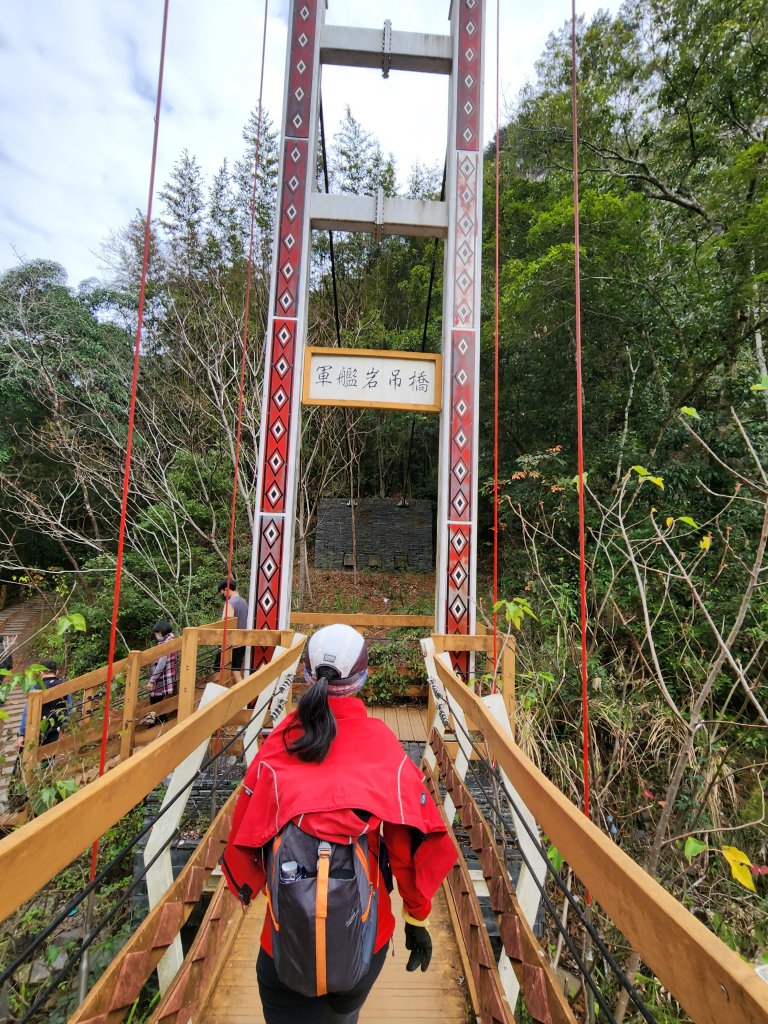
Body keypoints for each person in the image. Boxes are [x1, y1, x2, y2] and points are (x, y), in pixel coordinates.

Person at [222, 623, 456, 1024]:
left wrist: (258, 884)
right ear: (362, 679)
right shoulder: (383, 747)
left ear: (305, 675)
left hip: (285, 939)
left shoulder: (279, 744)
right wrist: (416, 918)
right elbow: (405, 848)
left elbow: (246, 833)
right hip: (363, 939)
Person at [16, 659, 71, 751]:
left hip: (35, 730)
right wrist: (64, 727)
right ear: (56, 672)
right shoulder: (64, 687)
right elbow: (68, 710)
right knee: (49, 754)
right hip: (55, 730)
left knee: (27, 755)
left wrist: (22, 734)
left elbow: (28, 712)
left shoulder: (35, 688)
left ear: (40, 672)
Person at [145, 620, 178, 724]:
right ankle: (157, 722)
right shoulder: (173, 640)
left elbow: (161, 664)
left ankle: (156, 723)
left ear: (160, 632)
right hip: (169, 675)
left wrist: (152, 680)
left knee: (154, 700)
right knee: (158, 701)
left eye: (156, 633)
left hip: (162, 677)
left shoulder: (165, 644)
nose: (156, 636)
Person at [217, 578, 248, 684]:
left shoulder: (230, 603)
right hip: (242, 642)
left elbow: (226, 623)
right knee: (236, 672)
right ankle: (244, 693)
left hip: (230, 644)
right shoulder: (244, 602)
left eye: (222, 593)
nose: (223, 596)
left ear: (226, 589)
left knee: (217, 671)